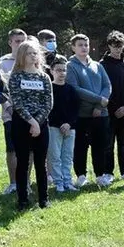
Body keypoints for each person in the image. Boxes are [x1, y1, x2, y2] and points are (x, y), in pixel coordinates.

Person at [8, 41, 53, 209]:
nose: (33, 56)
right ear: (22, 55)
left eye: (35, 53)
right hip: (21, 123)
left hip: (41, 124)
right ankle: (22, 199)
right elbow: (17, 102)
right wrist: (31, 122)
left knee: (41, 163)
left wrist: (38, 122)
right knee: (23, 162)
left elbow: (48, 103)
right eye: (29, 53)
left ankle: (43, 199)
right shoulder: (16, 77)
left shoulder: (44, 77)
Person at [67, 33, 113, 188]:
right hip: (82, 114)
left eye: (86, 45)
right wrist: (99, 99)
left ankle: (100, 175)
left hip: (101, 113)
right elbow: (75, 89)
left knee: (100, 145)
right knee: (81, 146)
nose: (84, 48)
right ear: (73, 47)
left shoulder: (97, 65)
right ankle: (81, 176)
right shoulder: (70, 66)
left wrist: (100, 106)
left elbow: (107, 85)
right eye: (80, 45)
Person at [101, 30, 124, 183]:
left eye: (120, 46)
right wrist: (112, 108)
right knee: (108, 144)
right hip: (107, 112)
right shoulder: (101, 65)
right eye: (115, 46)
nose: (118, 49)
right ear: (109, 45)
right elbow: (101, 89)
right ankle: (108, 172)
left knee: (123, 143)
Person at [0, 29, 28, 196]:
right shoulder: (2, 64)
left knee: (29, 150)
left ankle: (26, 182)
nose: (21, 44)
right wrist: (8, 106)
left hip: (30, 114)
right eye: (17, 41)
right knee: (12, 149)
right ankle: (14, 183)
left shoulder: (31, 59)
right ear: (10, 42)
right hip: (11, 113)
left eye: (23, 40)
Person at [48, 55, 79, 192]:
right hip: (54, 127)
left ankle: (68, 181)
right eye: (58, 70)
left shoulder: (71, 89)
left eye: (64, 70)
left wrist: (69, 124)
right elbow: (49, 109)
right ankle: (58, 182)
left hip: (70, 128)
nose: (61, 73)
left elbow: (75, 109)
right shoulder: (49, 89)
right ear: (52, 71)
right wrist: (61, 123)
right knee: (55, 156)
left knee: (67, 156)